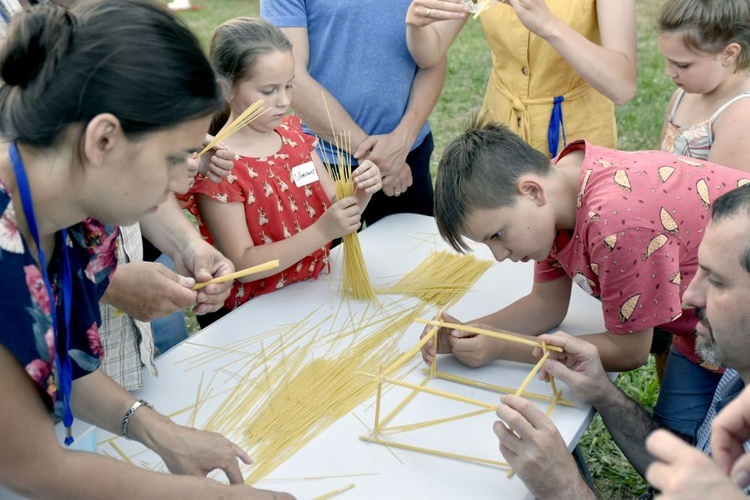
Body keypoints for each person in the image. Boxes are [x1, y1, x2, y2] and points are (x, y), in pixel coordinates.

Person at [0, 1, 291, 497]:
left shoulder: (72, 216)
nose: (184, 180)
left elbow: (55, 351)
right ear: (104, 139)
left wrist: (161, 432)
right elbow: (35, 466)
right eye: (176, 157)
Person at [424, 120, 750, 439]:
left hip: (739, 330)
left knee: (690, 461)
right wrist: (469, 332)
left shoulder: (617, 226)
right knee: (672, 448)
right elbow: (546, 304)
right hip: (701, 334)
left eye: (497, 235)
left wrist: (502, 347)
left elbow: (630, 351)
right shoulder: (556, 190)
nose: (499, 255)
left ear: (532, 191)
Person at [491, 183, 750, 499]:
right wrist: (603, 392)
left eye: (718, 282)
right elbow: (689, 481)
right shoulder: (740, 368)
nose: (690, 296)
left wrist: (565, 489)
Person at [186, 17, 382, 327]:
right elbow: (243, 262)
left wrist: (362, 191)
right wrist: (321, 232)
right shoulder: (219, 165)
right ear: (224, 89)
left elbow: (339, 215)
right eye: (268, 90)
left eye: (288, 85)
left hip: (315, 296)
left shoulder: (294, 138)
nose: (285, 101)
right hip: (255, 319)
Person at [260, 0, 444, 225]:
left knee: (414, 256)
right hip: (323, 161)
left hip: (407, 152)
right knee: (330, 259)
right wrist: (376, 156)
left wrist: (403, 139)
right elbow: (291, 75)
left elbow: (435, 56)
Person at [405, 0, 636, 157]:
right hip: (498, 135)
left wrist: (547, 24)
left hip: (578, 144)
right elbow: (431, 51)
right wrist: (416, 26)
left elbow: (621, 85)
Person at [658, 0, 750, 169]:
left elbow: (722, 191)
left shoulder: (742, 115)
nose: (668, 72)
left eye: (682, 65)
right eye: (668, 61)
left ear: (728, 54)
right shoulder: (681, 96)